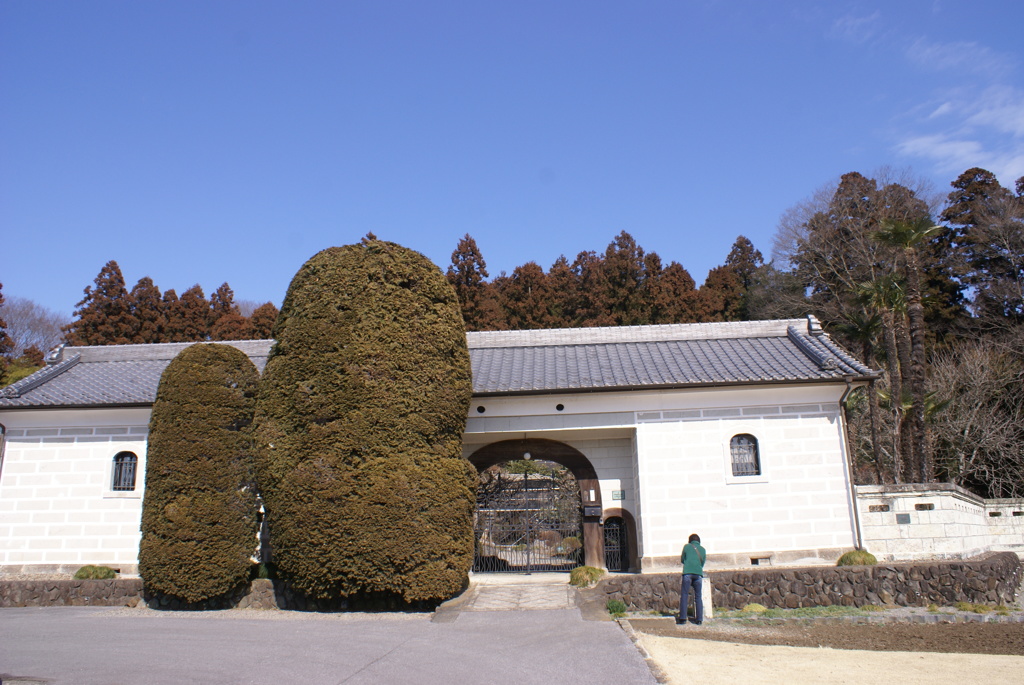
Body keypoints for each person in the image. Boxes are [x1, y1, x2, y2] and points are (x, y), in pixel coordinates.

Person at [676, 533, 706, 625]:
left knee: (684, 595)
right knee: (698, 597)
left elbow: (682, 559)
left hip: (687, 573)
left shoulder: (687, 547)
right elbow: (703, 562)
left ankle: (683, 618)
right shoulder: (703, 549)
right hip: (698, 574)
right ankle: (699, 619)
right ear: (698, 541)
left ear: (690, 541)